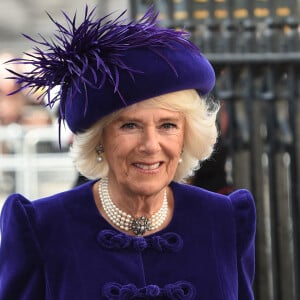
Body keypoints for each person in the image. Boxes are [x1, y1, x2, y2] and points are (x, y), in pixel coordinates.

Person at [0, 6, 256, 300]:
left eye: (168, 125)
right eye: (130, 125)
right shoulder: (42, 227)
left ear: (187, 135)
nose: (150, 145)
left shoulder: (223, 219)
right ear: (99, 138)